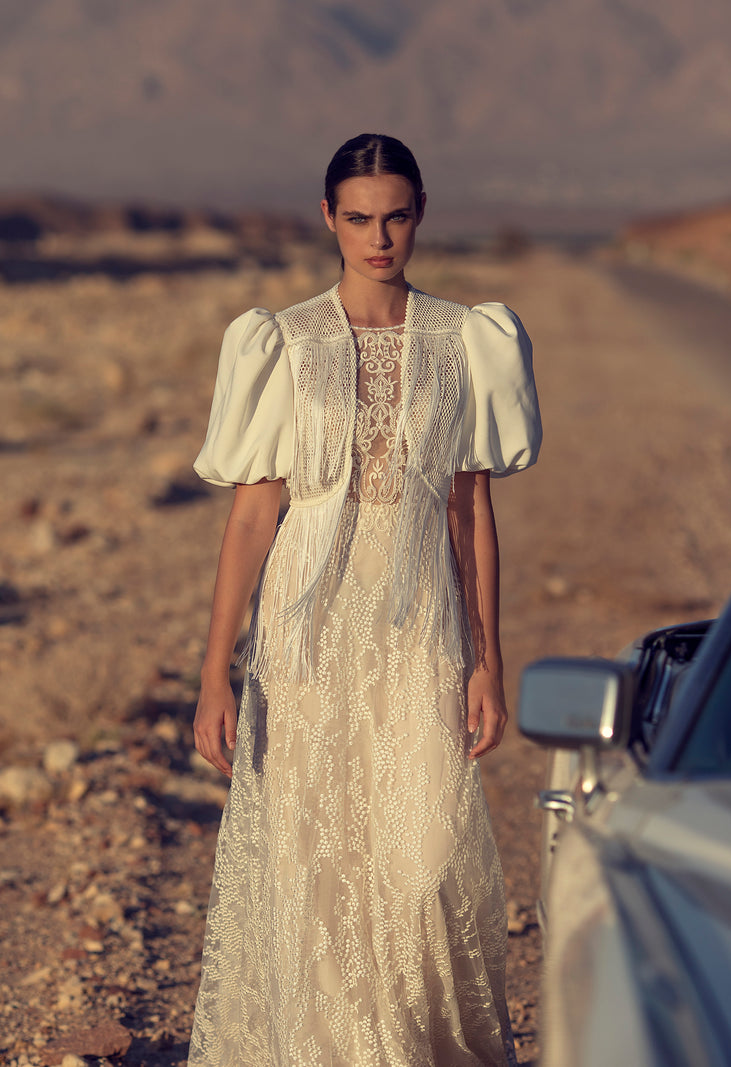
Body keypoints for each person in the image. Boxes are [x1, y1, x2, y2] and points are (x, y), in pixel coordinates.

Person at [188, 133, 542, 1067]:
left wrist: (486, 659)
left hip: (420, 620)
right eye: (357, 218)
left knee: (424, 860)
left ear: (420, 209)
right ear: (327, 219)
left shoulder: (468, 338)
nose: (378, 238)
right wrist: (213, 672)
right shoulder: (283, 343)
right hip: (305, 630)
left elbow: (472, 510)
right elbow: (253, 512)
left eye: (394, 216)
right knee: (318, 857)